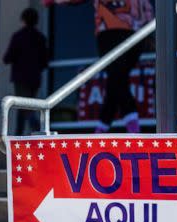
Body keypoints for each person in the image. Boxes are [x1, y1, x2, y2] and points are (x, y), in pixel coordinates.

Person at [48, 0, 154, 133]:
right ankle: (104, 128)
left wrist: (151, 32)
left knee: (117, 80)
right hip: (114, 33)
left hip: (130, 34)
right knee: (117, 80)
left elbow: (148, 9)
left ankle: (126, 128)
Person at [3, 8, 49, 135]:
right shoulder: (40, 38)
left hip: (21, 78)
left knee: (25, 107)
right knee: (23, 107)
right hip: (34, 78)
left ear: (23, 20)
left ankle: (39, 131)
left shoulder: (18, 37)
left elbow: (7, 58)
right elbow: (45, 61)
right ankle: (18, 135)